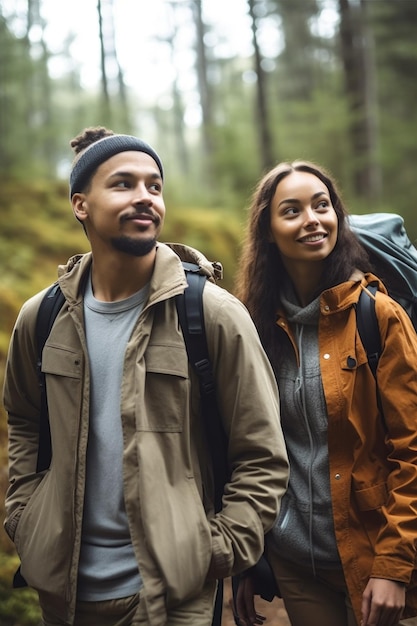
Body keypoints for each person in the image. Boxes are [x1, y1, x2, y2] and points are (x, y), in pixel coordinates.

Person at [2, 127, 289, 626]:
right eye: (123, 184)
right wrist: (25, 518)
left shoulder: (210, 315)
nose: (145, 198)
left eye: (154, 186)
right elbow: (24, 420)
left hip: (173, 599)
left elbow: (262, 454)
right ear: (80, 205)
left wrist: (215, 550)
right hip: (62, 595)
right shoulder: (41, 318)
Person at [233, 160, 417, 626]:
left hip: (372, 555)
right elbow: (249, 450)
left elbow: (411, 450)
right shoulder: (255, 327)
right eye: (291, 211)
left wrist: (394, 567)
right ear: (268, 231)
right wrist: (252, 556)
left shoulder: (379, 317)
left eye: (322, 205)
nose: (313, 219)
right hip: (296, 560)